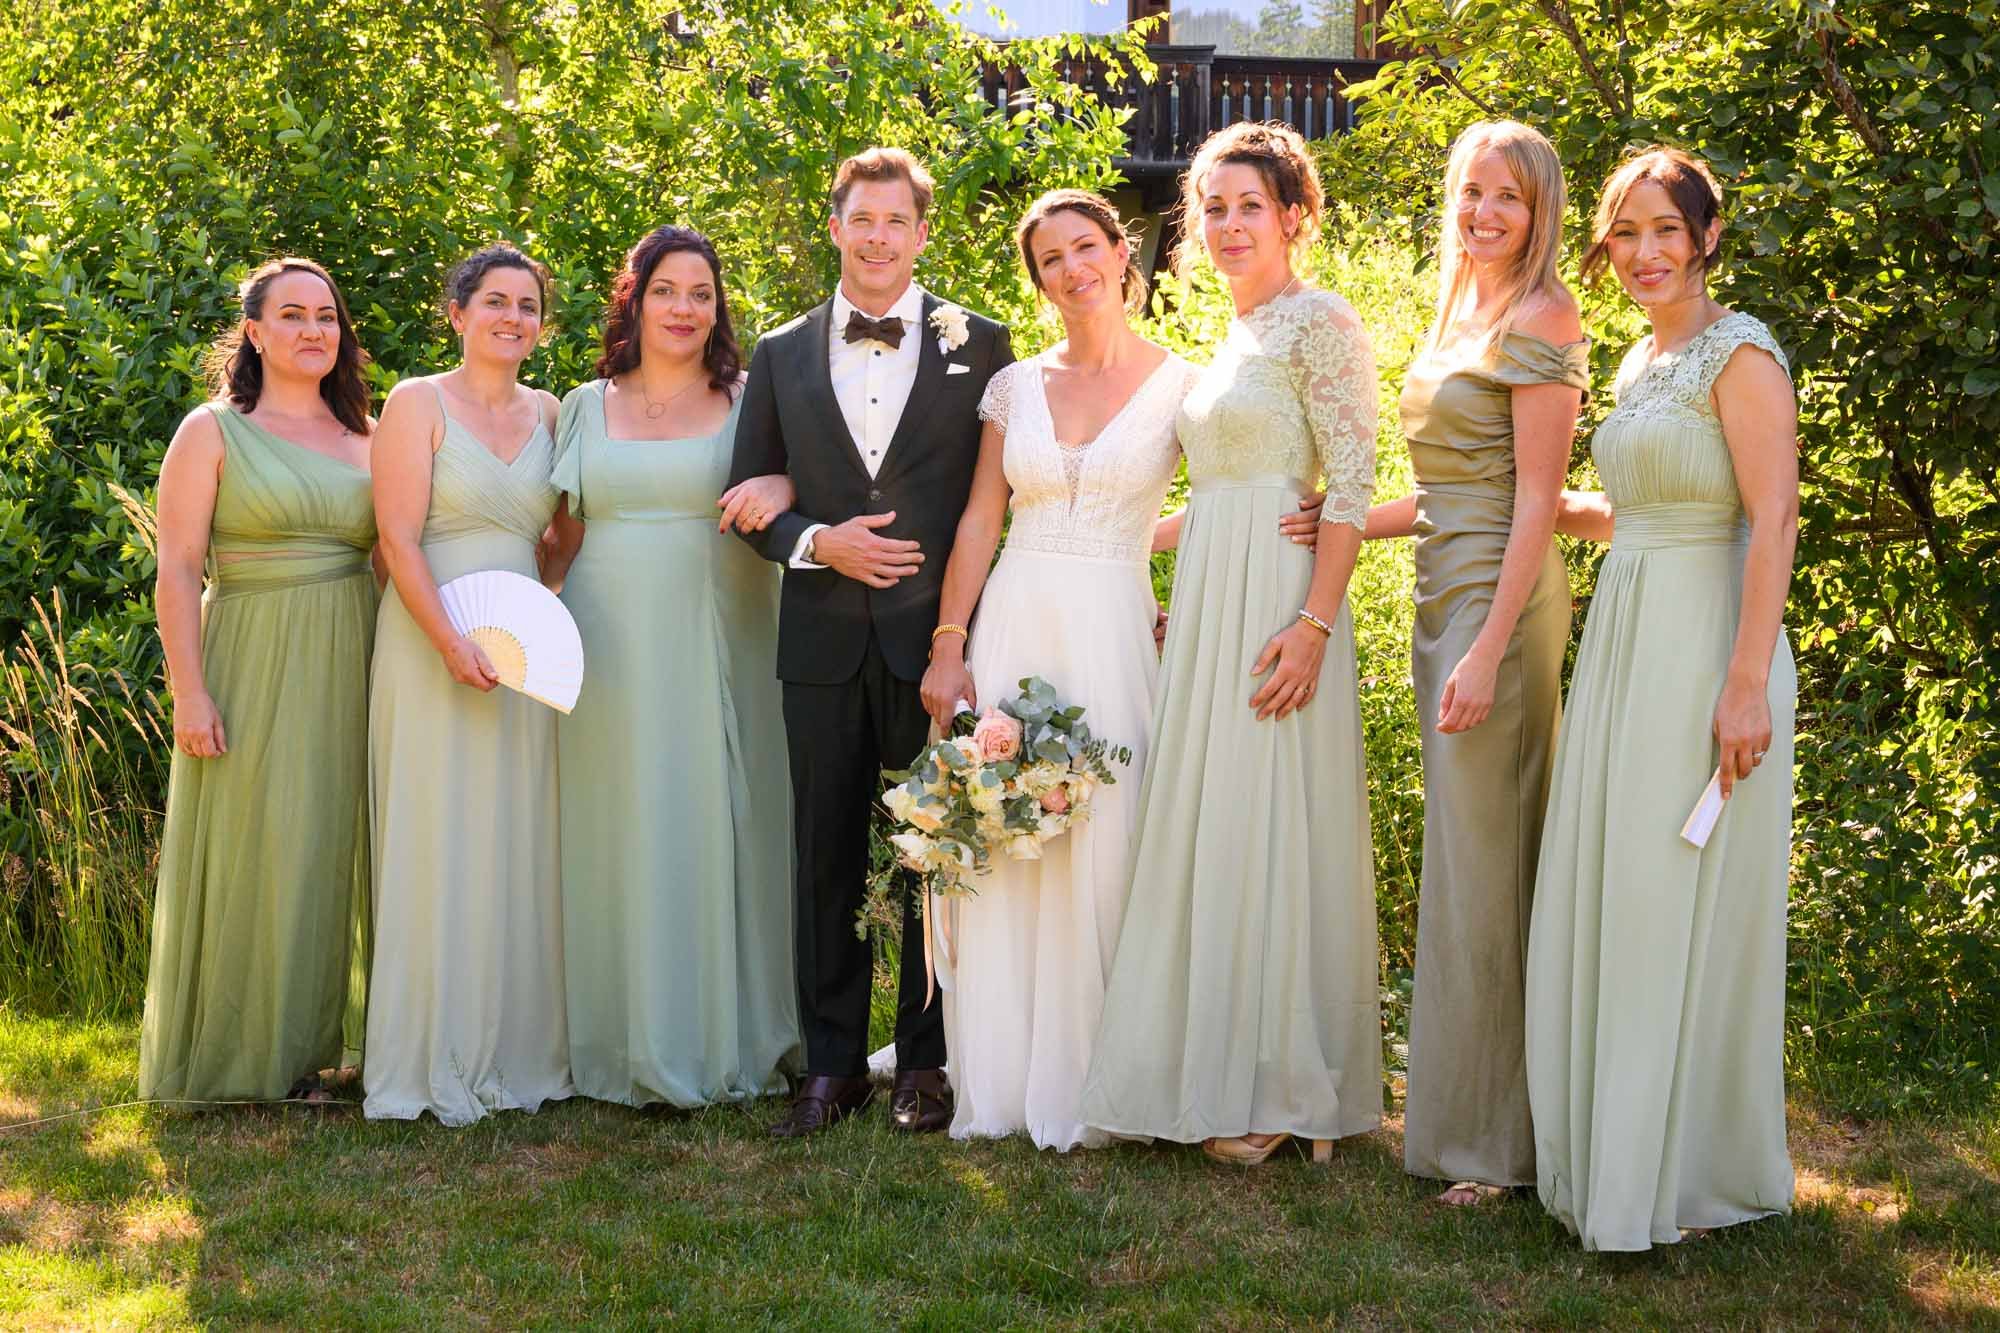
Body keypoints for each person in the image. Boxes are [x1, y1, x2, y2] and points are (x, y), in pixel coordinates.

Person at [1080, 122, 1382, 1165]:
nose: (1227, 225)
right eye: (1211, 207)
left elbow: (1347, 487)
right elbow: (1206, 492)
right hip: (1214, 591)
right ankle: (1207, 1060)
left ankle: (1279, 1085)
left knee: (1269, 816)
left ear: (1293, 216)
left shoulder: (1319, 323)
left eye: (1249, 205)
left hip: (1279, 601)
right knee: (1214, 814)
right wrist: (1103, 556)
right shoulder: (1230, 339)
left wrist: (1312, 624)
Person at [1526, 147, 1799, 1250]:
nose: (1641, 253)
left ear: (1703, 237)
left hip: (1705, 647)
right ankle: (1614, 1154)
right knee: (1621, 888)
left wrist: (1742, 685)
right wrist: (1526, 509)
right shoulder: (1639, 360)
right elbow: (1635, 506)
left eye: (1663, 231)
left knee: (1670, 891)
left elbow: (1769, 518)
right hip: (1625, 639)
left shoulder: (1740, 354)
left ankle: (1680, 1172)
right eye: (1623, 233)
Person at [724, 147, 1013, 1138]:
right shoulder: (779, 352)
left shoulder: (984, 344)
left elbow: (1004, 497)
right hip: (815, 648)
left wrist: (961, 633)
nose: (880, 236)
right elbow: (748, 497)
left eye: (898, 221)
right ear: (836, 225)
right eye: (863, 219)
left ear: (922, 233)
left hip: (933, 644)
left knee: (931, 851)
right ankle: (831, 1064)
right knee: (824, 856)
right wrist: (815, 541)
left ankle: (923, 1062)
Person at [1361, 120, 1587, 1204]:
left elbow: (1534, 501)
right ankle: (1454, 1119)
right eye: (1469, 193)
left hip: (1500, 602)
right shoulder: (1460, 310)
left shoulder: (1544, 315)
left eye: (1508, 197)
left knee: (1491, 856)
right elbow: (1443, 491)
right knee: (1461, 854)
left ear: (1540, 211)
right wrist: (1343, 524)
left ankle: (1500, 1147)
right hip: (1440, 588)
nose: (1484, 214)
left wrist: (1488, 648)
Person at [539, 225, 802, 1107]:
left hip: (724, 627)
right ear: (635, 299)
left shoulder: (751, 397)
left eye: (701, 292)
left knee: (726, 817)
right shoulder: (584, 404)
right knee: (621, 821)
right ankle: (620, 1035)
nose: (685, 308)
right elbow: (559, 538)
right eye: (667, 291)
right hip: (607, 637)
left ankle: (738, 1031)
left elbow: (809, 480)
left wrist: (786, 488)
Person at [139, 257, 377, 1104]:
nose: (314, 330)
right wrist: (189, 691)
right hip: (251, 649)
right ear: (254, 330)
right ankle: (251, 1054)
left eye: (327, 315)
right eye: (293, 315)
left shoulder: (370, 437)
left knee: (336, 843)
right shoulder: (211, 430)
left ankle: (335, 1052)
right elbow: (178, 569)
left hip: (357, 651)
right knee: (260, 841)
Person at [362, 244, 571, 1125]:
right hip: (426, 639)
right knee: (433, 831)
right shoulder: (416, 404)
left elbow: (563, 537)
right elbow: (396, 540)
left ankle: (517, 1052)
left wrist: (537, 626)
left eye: (528, 306)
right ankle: (425, 1055)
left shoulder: (556, 412)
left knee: (515, 834)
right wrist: (449, 640)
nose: (512, 318)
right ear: (457, 312)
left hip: (516, 649)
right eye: (495, 301)